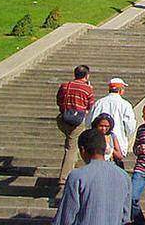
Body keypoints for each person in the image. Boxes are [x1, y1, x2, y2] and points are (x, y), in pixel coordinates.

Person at [52, 128, 131, 225]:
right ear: (105, 148)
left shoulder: (77, 176)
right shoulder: (124, 177)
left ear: (83, 150)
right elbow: (125, 217)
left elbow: (66, 217)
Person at [56, 64, 95, 196]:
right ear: (86, 75)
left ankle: (76, 169)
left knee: (74, 144)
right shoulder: (87, 89)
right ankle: (64, 179)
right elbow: (90, 105)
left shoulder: (65, 85)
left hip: (63, 119)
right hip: (76, 121)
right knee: (71, 148)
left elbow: (59, 100)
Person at [87, 77, 136, 165]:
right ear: (120, 90)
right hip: (118, 143)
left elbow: (88, 122)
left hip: (98, 141)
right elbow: (130, 127)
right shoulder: (125, 104)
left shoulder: (99, 103)